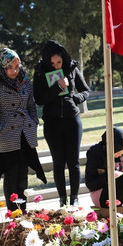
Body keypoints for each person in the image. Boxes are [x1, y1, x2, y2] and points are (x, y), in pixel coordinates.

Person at [0, 48, 46, 211]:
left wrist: (34, 121)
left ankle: (23, 211)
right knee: (11, 175)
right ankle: (12, 212)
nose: (14, 71)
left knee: (23, 174)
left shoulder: (24, 79)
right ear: (2, 66)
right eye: (10, 67)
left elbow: (31, 104)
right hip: (6, 134)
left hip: (24, 133)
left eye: (17, 66)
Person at [33, 40, 90, 207]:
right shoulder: (40, 72)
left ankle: (74, 198)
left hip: (72, 120)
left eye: (59, 62)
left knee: (73, 162)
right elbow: (39, 99)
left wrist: (75, 98)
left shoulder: (71, 68)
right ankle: (62, 199)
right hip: (52, 123)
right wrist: (57, 87)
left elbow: (86, 90)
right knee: (58, 162)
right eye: (52, 63)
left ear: (63, 59)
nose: (57, 66)